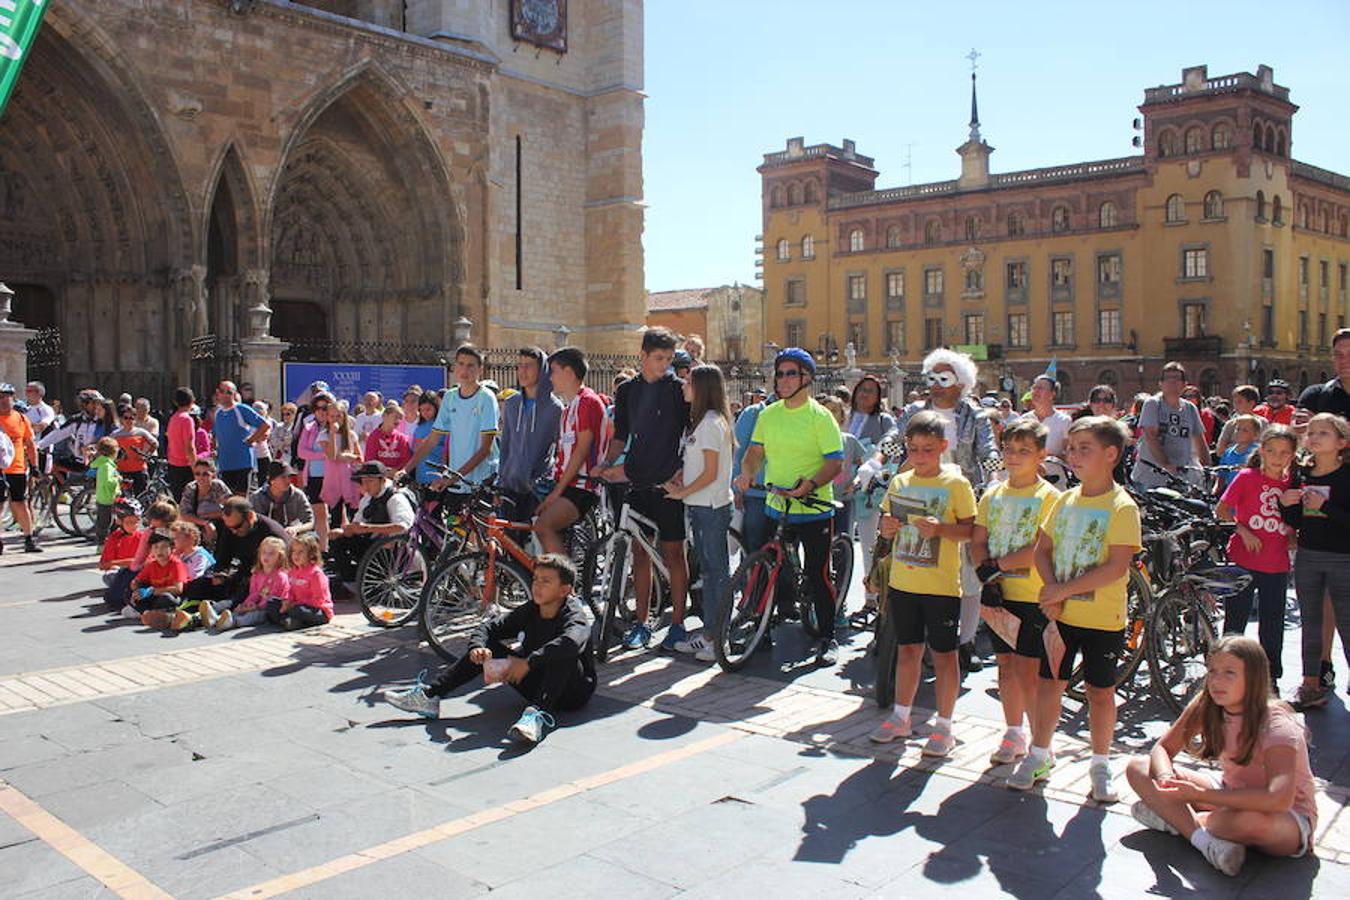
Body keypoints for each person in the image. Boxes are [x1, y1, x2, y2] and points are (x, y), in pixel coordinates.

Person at [1012, 416, 1141, 800]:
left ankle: (1100, 764)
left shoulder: (1122, 507)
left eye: (1085, 448)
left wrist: (1061, 589)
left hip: (1103, 619)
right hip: (1060, 617)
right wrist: (1052, 591)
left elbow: (1117, 566)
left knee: (1100, 692)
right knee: (1050, 684)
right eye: (1071, 447)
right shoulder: (1065, 500)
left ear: (1111, 454)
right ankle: (1039, 753)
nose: (1074, 455)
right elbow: (1042, 550)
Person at [1125, 637, 1317, 877]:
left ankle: (1175, 820)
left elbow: (1278, 799)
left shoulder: (1278, 726)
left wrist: (1197, 795)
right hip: (1228, 792)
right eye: (1212, 671)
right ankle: (1204, 841)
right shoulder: (1208, 704)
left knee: (1246, 822)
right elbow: (1162, 749)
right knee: (1138, 767)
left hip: (1286, 818)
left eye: (1229, 673)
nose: (1216, 681)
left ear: (1253, 678)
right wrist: (1166, 780)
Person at [383, 553, 596, 745]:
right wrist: (478, 648)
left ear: (564, 590)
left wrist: (528, 662)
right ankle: (430, 696)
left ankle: (538, 716)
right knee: (488, 648)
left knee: (563, 652)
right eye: (536, 579)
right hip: (535, 682)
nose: (537, 586)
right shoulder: (531, 609)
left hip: (571, 693)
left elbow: (571, 641)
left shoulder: (574, 616)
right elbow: (489, 627)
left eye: (546, 581)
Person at [876, 349, 1000, 673]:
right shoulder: (916, 410)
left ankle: (966, 641)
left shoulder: (975, 415)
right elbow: (894, 438)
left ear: (961, 382)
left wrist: (1002, 476)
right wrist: (874, 463)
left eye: (944, 378)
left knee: (968, 574)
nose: (936, 385)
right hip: (918, 496)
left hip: (960, 498)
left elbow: (987, 451)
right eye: (932, 377)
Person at [868, 411, 977, 755]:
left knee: (945, 656)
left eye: (928, 449)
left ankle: (944, 726)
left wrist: (941, 529)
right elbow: (887, 520)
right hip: (903, 581)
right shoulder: (901, 481)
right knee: (908, 650)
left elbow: (970, 530)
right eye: (913, 449)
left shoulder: (956, 484)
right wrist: (887, 528)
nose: (920, 456)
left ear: (943, 447)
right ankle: (901, 717)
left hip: (942, 586)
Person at [735, 346, 843, 665]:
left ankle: (827, 636)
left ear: (806, 378)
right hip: (775, 504)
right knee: (765, 568)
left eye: (789, 373)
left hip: (813, 508)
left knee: (817, 574)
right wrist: (746, 473)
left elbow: (834, 463)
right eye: (779, 374)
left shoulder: (820, 417)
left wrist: (809, 485)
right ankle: (762, 628)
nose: (782, 379)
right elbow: (756, 452)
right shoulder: (768, 414)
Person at [969, 419, 1059, 767]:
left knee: (1031, 671)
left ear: (1041, 455)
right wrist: (985, 572)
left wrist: (999, 564)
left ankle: (1041, 742)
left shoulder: (1049, 496)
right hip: (999, 593)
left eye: (1024, 451)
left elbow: (1040, 546)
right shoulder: (993, 494)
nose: (1014, 457)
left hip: (1033, 595)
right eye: (1009, 449)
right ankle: (1013, 731)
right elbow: (978, 540)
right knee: (1005, 667)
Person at [596, 328, 692, 651]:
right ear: (643, 355)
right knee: (639, 553)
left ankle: (677, 624)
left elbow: (691, 434)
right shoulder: (627, 392)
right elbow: (621, 436)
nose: (664, 365)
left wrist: (681, 470)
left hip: (669, 484)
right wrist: (605, 463)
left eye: (668, 359)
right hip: (637, 480)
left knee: (674, 552)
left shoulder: (679, 391)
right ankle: (641, 623)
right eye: (658, 358)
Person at [662, 364, 735, 662]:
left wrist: (682, 492)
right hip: (702, 505)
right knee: (709, 571)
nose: (683, 385)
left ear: (702, 388)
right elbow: (699, 467)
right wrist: (682, 477)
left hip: (710, 507)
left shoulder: (709, 423)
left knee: (716, 573)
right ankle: (709, 634)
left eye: (689, 382)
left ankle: (718, 639)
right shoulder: (704, 421)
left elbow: (710, 473)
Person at [1218, 426, 1296, 690]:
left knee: (1273, 621)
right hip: (1243, 557)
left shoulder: (1293, 483)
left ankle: (1269, 676)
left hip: (1276, 561)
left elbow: (1295, 521)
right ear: (1261, 450)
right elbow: (1222, 510)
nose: (1277, 457)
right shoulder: (1247, 477)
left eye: (1284, 453)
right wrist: (1243, 531)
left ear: (1292, 456)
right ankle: (1227, 670)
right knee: (1235, 618)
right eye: (1271, 450)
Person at [1281, 412, 1350, 710]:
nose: (1314, 437)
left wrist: (1327, 506)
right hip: (1308, 554)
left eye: (1323, 433)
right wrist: (1286, 508)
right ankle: (1311, 684)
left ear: (1341, 442)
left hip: (1343, 557)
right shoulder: (1302, 473)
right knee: (1310, 622)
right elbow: (1297, 519)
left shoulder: (1347, 476)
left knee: (1347, 622)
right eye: (1311, 432)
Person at [534, 347, 606, 555]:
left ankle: (565, 584)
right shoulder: (568, 409)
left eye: (553, 371)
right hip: (567, 484)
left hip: (582, 486)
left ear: (568, 372)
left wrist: (555, 493)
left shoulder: (587, 402)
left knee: (543, 526)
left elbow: (581, 451)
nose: (550, 377)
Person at [404, 345, 498, 503]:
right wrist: (405, 470)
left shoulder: (486, 398)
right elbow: (432, 440)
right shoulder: (450, 397)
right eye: (460, 364)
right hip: (456, 485)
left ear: (480, 369)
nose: (464, 370)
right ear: (454, 367)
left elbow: (485, 449)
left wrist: (453, 478)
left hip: (480, 485)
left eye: (470, 365)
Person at [182, 496, 291, 612]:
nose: (233, 531)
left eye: (237, 527)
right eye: (230, 528)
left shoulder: (272, 532)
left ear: (250, 516)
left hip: (264, 580)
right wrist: (220, 574)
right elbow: (222, 557)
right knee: (199, 584)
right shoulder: (230, 528)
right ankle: (186, 610)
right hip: (240, 574)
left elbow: (286, 566)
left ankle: (215, 611)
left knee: (244, 589)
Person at [497, 346, 563, 521]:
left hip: (538, 490)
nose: (522, 371)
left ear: (541, 370)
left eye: (529, 366)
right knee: (510, 544)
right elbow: (505, 446)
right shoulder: (511, 404)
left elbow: (560, 449)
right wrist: (500, 481)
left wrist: (546, 478)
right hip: (510, 487)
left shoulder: (555, 408)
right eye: (519, 365)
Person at [327, 461, 415, 582]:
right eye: (364, 482)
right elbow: (358, 524)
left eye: (370, 481)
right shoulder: (368, 498)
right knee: (337, 540)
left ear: (382, 480)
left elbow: (403, 526)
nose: (366, 486)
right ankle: (350, 579)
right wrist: (343, 531)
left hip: (395, 550)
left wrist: (368, 528)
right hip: (373, 545)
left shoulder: (396, 498)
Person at [1132, 362, 1210, 489]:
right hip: (1152, 479)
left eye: (1177, 378)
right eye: (1168, 378)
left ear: (1185, 384)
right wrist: (1166, 465)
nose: (1172, 382)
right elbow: (1151, 436)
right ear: (1160, 383)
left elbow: (1200, 441)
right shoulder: (1153, 404)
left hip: (1181, 479)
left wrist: (1207, 470)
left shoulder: (1190, 408)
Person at [209, 536, 290, 632]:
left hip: (268, 608)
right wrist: (245, 605)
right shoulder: (257, 574)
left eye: (271, 554)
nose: (266, 556)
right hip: (256, 605)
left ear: (279, 556)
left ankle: (234, 622)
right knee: (238, 610)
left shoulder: (280, 576)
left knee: (255, 616)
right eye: (264, 552)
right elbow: (254, 593)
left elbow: (273, 598)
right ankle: (217, 619)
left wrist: (256, 607)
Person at [0, 383, 41, 553]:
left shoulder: (21, 418)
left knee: (20, 503)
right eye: (0, 397)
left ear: (12, 397)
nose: (2, 400)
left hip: (17, 468)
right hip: (0, 470)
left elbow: (30, 444)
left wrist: (35, 466)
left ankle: (29, 539)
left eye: (5, 396)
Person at [209, 381, 270, 494]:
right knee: (227, 501)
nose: (225, 395)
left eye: (229, 392)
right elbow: (215, 434)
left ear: (234, 394)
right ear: (217, 393)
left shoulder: (241, 409)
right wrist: (214, 448)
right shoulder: (218, 412)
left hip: (242, 462)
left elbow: (265, 425)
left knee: (240, 502)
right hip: (225, 463)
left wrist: (252, 439)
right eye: (222, 391)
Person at [295, 391, 337, 552]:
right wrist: (324, 455)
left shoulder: (339, 427)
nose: (321, 411)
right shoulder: (309, 427)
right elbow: (301, 452)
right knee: (320, 513)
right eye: (317, 408)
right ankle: (323, 550)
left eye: (325, 407)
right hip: (315, 475)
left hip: (334, 476)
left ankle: (337, 550)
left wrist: (326, 455)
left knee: (337, 514)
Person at [123, 530, 187, 622]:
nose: (159, 551)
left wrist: (152, 591)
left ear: (172, 548)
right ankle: (148, 613)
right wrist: (136, 588)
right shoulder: (151, 564)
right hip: (155, 597)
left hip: (172, 597)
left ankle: (151, 613)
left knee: (166, 598)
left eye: (164, 547)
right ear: (151, 550)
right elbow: (136, 581)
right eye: (156, 547)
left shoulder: (176, 563)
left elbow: (178, 589)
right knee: (128, 592)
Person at [318, 401, 363, 532]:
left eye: (338, 416)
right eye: (332, 416)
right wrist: (332, 434)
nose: (335, 419)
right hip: (333, 481)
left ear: (344, 416)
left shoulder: (351, 435)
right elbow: (331, 456)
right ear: (327, 417)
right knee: (335, 518)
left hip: (350, 481)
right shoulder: (324, 435)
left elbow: (360, 458)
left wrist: (348, 457)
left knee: (354, 515)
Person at [275, 534, 334, 629]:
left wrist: (295, 604)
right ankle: (292, 621)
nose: (296, 555)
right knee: (273, 604)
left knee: (296, 610)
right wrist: (287, 601)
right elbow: (289, 591)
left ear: (311, 554)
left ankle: (291, 621)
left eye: (300, 552)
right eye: (294, 551)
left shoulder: (316, 574)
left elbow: (318, 600)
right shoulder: (292, 572)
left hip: (318, 610)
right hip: (296, 605)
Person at [250, 460, 314, 538]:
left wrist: (295, 529)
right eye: (283, 477)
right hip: (266, 539)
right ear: (272, 480)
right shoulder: (257, 497)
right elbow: (253, 524)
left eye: (289, 477)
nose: (288, 481)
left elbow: (310, 522)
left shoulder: (298, 495)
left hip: (292, 538)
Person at [1297, 328, 1350, 419]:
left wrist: (1322, 425)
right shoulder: (1314, 396)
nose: (1344, 360)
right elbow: (1297, 428)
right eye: (1338, 355)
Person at [110, 404, 159, 497]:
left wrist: (146, 455)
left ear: (135, 419)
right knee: (122, 499)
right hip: (122, 471)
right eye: (126, 417)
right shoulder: (115, 435)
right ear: (121, 419)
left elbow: (155, 443)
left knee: (142, 496)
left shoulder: (141, 432)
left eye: (131, 418)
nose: (128, 420)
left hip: (139, 470)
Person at [179, 459, 231, 546]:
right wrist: (205, 523)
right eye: (197, 474)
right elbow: (184, 514)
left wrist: (209, 516)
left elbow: (231, 509)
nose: (201, 477)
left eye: (205, 474)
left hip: (220, 523)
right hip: (198, 524)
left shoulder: (218, 486)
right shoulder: (190, 488)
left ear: (213, 475)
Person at [1020, 374, 1073, 458]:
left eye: (1040, 388)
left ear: (1052, 394)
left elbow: (1069, 453)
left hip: (1054, 469)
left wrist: (1048, 457)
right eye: (1034, 388)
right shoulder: (1024, 420)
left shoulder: (1064, 421)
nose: (1035, 391)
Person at [163, 389, 200, 505]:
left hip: (173, 464)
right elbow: (189, 446)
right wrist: (195, 467)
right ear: (192, 401)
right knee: (191, 502)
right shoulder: (187, 419)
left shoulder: (173, 418)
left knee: (179, 501)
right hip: (185, 466)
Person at [99, 498, 145, 576]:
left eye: (136, 522)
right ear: (119, 521)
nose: (133, 526)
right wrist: (129, 562)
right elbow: (103, 565)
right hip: (121, 573)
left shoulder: (143, 537)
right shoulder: (114, 538)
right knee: (110, 574)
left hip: (140, 574)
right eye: (129, 522)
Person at [1216, 415, 1262, 490]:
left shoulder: (1258, 452)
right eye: (1237, 429)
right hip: (1232, 492)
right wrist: (1217, 488)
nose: (1239, 432)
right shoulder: (1228, 452)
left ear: (1256, 435)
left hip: (1251, 491)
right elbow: (1222, 474)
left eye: (1245, 430)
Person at [90, 436, 121, 543]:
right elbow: (108, 481)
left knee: (106, 520)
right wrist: (117, 480)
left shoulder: (104, 463)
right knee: (105, 522)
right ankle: (101, 544)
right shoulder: (107, 466)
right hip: (107, 497)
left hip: (103, 496)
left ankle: (106, 541)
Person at [364, 406, 413, 471]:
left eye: (400, 418)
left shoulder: (401, 438)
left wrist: (395, 471)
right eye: (396, 417)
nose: (398, 420)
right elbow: (370, 459)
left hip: (396, 476)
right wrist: (383, 472)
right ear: (385, 416)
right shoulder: (374, 436)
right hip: (378, 476)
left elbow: (406, 460)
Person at [269, 402, 297, 468]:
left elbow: (291, 440)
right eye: (284, 414)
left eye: (288, 414)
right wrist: (282, 442)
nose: (285, 416)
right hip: (279, 456)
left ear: (294, 414)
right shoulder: (278, 426)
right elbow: (273, 440)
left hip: (291, 457)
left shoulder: (296, 427)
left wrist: (281, 440)